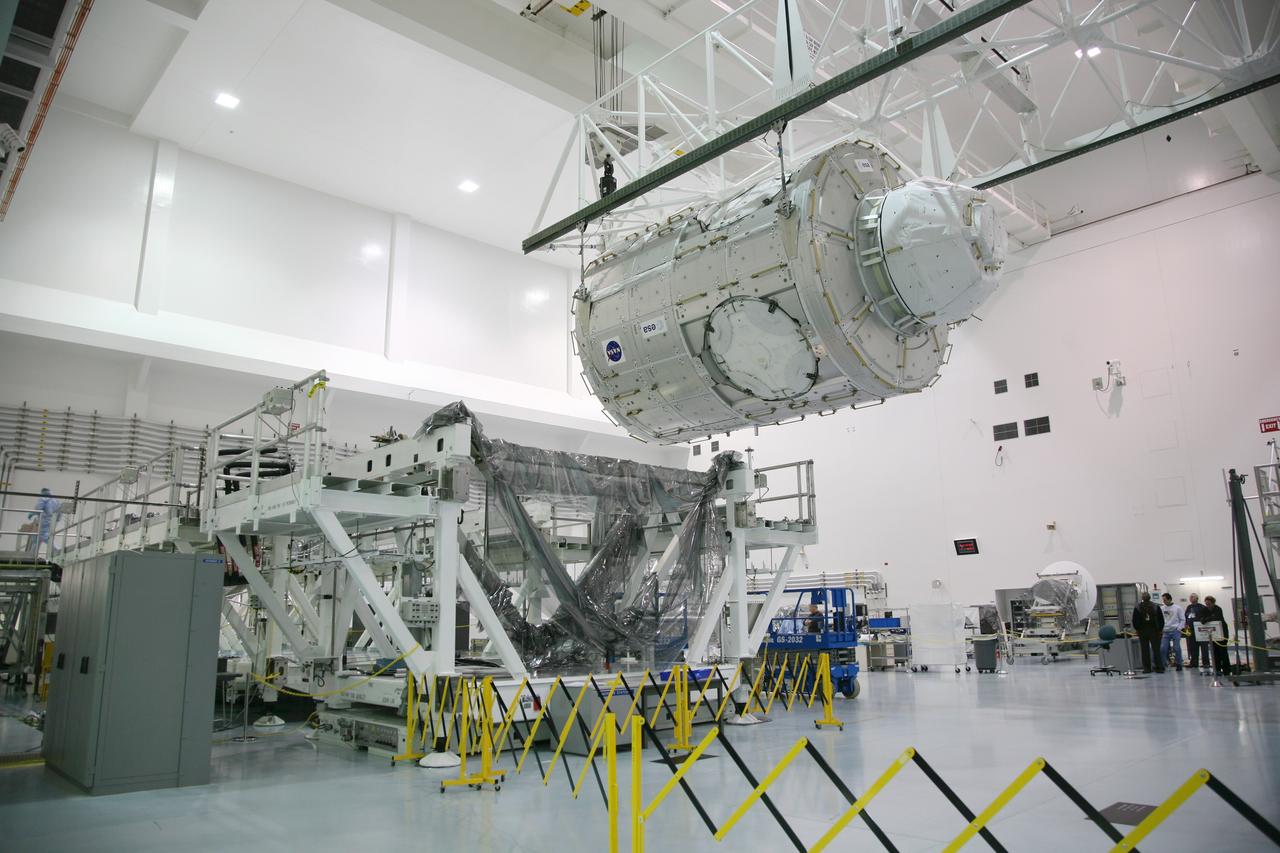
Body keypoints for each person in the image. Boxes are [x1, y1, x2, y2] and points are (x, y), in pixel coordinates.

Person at [1132, 591, 1164, 673]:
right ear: (1150, 597)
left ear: (1142, 598)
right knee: (1156, 650)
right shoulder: (1156, 606)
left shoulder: (1138, 607)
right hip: (1154, 630)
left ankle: (1147, 668)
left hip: (1143, 631)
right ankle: (1159, 667)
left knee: (1144, 650)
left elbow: (1134, 620)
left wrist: (1138, 629)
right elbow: (1161, 619)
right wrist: (1160, 629)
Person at [1200, 595, 1231, 675]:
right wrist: (1208, 618)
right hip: (1212, 634)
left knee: (1223, 651)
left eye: (1209, 604)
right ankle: (1217, 669)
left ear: (1213, 603)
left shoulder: (1218, 609)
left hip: (1222, 632)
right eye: (1206, 604)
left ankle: (1226, 670)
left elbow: (1217, 618)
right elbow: (1202, 620)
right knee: (1214, 652)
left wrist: (1207, 619)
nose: (1208, 605)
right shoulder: (1204, 609)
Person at [28, 487, 61, 556]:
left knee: (44, 537)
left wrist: (31, 513)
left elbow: (38, 508)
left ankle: (56, 550)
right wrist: (57, 520)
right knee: (37, 538)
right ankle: (32, 554)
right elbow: (60, 513)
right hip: (53, 521)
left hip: (44, 520)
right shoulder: (56, 501)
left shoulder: (43, 498)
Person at [1158, 592, 1185, 672]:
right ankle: (1163, 664)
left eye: (1165, 600)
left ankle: (1179, 663)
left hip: (1175, 631)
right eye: (1163, 600)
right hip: (1165, 631)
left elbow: (1182, 619)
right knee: (1163, 648)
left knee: (1176, 648)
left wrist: (1179, 628)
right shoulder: (1162, 608)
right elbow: (1160, 619)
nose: (1164, 602)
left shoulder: (1178, 608)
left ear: (1170, 599)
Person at [1184, 593, 1207, 670]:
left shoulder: (1202, 607)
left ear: (1196, 598)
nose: (1190, 598)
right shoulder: (1189, 607)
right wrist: (1186, 624)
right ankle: (1194, 663)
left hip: (1200, 630)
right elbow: (1186, 617)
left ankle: (1206, 663)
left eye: (1192, 597)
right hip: (1191, 630)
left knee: (1204, 647)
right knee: (1193, 647)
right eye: (1190, 597)